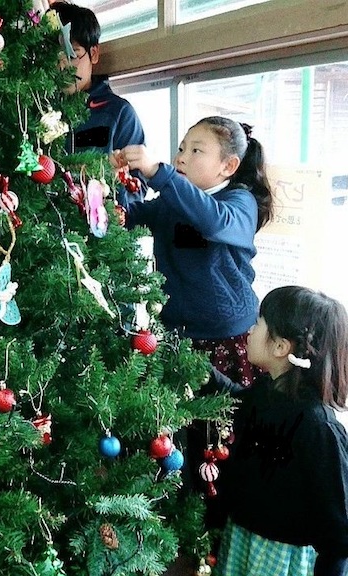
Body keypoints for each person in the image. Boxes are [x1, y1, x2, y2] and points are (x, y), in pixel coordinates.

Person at [111, 116, 273, 388]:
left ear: (229, 166)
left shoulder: (241, 202)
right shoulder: (171, 201)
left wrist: (160, 174)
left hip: (226, 338)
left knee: (220, 427)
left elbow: (213, 221)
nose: (181, 158)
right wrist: (108, 185)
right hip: (174, 335)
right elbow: (128, 217)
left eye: (196, 150)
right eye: (181, 149)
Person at [206, 285, 348, 576]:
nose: (249, 330)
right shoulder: (265, 393)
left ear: (281, 347)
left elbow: (338, 533)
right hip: (241, 539)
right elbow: (235, 398)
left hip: (281, 560)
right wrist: (200, 371)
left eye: (259, 323)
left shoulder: (318, 429)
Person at [51, 2, 146, 154]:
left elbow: (136, 176)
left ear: (93, 54)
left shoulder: (118, 113)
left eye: (72, 55)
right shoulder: (31, 109)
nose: (62, 66)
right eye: (53, 57)